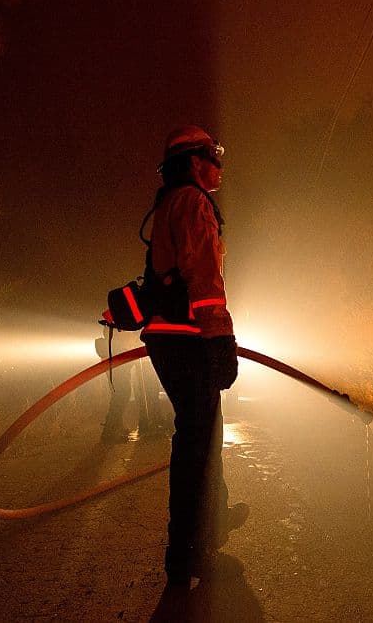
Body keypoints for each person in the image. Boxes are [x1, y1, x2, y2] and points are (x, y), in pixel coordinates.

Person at [141, 125, 248, 585]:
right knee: (198, 444)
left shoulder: (173, 201)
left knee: (205, 434)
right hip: (187, 337)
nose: (219, 163)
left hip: (172, 336)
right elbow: (203, 276)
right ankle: (189, 553)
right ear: (193, 161)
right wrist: (219, 337)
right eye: (212, 154)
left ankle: (212, 524)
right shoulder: (192, 201)